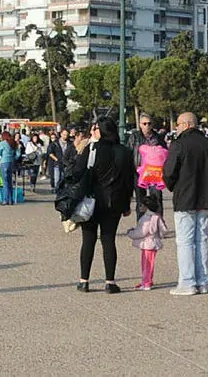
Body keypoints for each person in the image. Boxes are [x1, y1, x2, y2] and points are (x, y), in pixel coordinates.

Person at [162, 112, 208, 296]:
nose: (176, 128)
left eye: (177, 124)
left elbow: (169, 171)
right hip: (207, 197)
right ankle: (202, 281)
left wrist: (173, 187)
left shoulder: (179, 145)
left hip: (185, 197)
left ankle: (187, 282)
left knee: (185, 241)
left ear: (186, 124)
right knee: (201, 239)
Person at [74, 118, 136, 293]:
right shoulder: (124, 151)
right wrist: (127, 204)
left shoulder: (92, 149)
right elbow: (128, 180)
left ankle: (84, 280)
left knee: (88, 240)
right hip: (114, 202)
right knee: (108, 240)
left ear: (100, 131)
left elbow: (79, 172)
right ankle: (110, 281)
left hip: (92, 201)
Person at [125, 189, 167, 291]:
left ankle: (146, 282)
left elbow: (141, 232)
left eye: (141, 205)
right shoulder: (157, 216)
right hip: (153, 242)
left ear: (146, 206)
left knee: (146, 263)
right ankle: (148, 280)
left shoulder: (146, 218)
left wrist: (130, 233)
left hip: (147, 243)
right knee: (150, 263)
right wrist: (159, 236)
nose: (140, 207)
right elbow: (164, 230)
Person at [0, 131, 17, 205]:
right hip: (11, 163)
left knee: (5, 182)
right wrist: (13, 158)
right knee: (10, 181)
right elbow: (18, 153)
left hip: (4, 162)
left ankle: (5, 200)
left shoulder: (2, 143)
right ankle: (11, 199)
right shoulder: (13, 143)